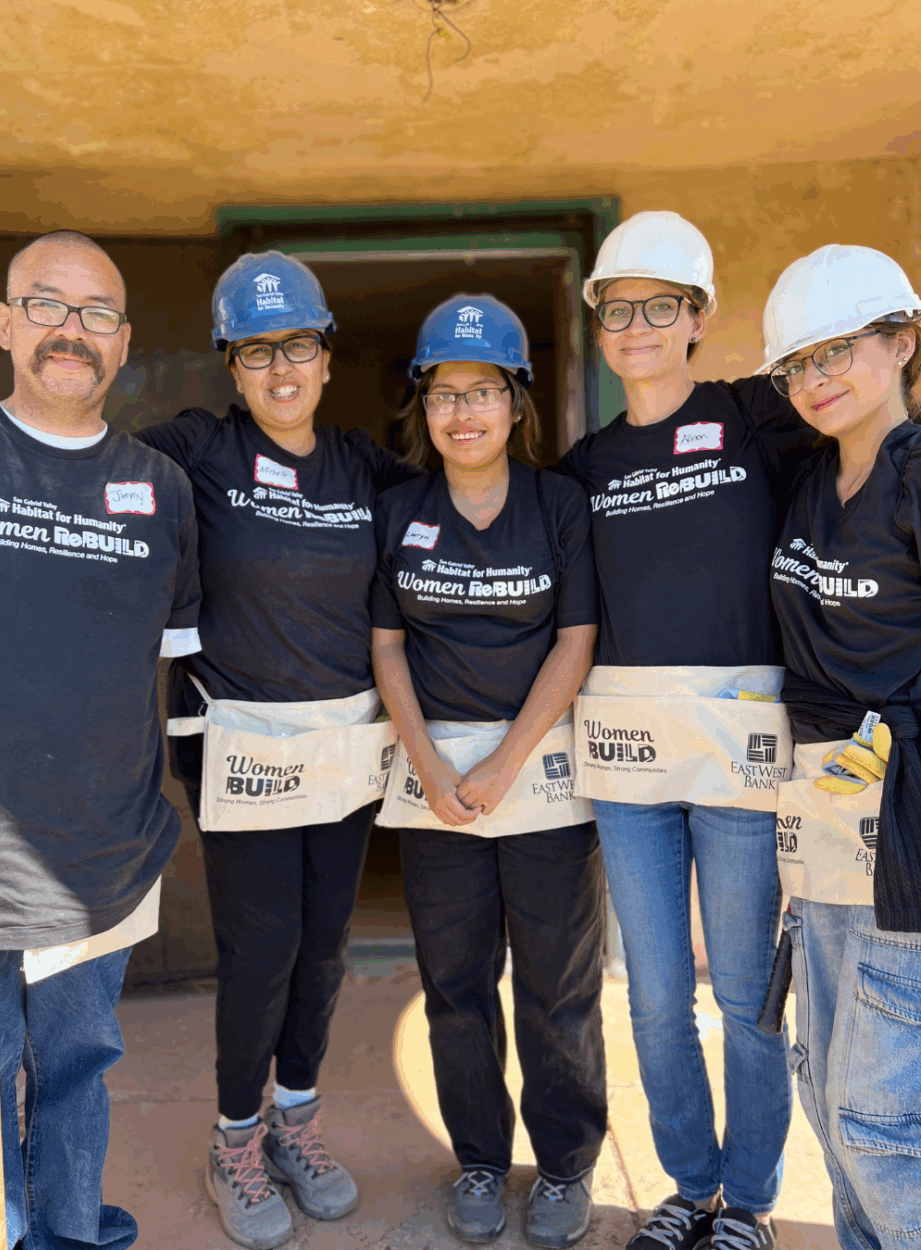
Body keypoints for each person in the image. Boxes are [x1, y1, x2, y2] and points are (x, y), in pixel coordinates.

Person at [0, 230, 201, 1249]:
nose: (69, 331)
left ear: (123, 342)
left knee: (80, 1068)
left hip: (104, 854)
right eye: (46, 304)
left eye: (94, 313)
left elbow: (165, 659)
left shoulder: (161, 490)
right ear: (3, 324)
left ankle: (70, 1231)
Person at [136, 251, 420, 1250]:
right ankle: (236, 1136)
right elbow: (87, 465)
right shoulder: (195, 449)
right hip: (243, 746)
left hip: (342, 746)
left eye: (296, 343)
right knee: (260, 949)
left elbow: (460, 510)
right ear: (231, 363)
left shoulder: (363, 467)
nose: (279, 367)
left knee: (323, 944)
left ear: (326, 354)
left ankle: (296, 1117)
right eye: (255, 351)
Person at [553, 211, 816, 1250]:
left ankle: (748, 1198)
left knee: (747, 991)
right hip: (628, 757)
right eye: (619, 309)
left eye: (660, 306)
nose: (637, 326)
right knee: (659, 994)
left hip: (741, 749)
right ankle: (690, 1184)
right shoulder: (583, 464)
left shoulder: (753, 417)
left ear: (698, 317)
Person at [371, 294, 606, 1250]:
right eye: (442, 394)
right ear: (422, 409)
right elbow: (388, 647)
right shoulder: (399, 511)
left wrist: (506, 762)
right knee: (456, 980)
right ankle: (478, 1155)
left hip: (540, 774)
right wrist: (428, 765)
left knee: (558, 984)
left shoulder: (558, 505)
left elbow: (577, 638)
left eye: (482, 391)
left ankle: (563, 1166)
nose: (461, 413)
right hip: (434, 780)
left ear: (516, 403)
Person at [764, 243, 921, 1250]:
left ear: (902, 342)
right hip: (822, 823)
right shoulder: (811, 480)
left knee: (878, 1125)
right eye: (796, 363)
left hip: (905, 841)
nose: (815, 379)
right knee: (825, 1099)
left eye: (838, 351)